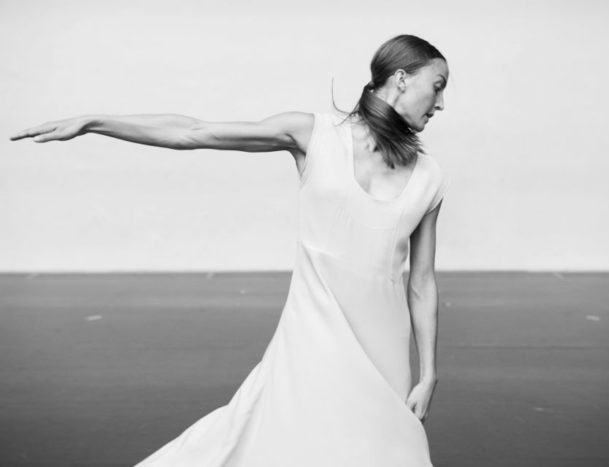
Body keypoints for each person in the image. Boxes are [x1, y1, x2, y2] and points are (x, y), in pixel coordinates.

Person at [11, 33, 450, 467]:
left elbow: (422, 281)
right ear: (401, 78)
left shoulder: (428, 176)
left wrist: (428, 372)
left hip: (385, 352)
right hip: (314, 339)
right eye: (438, 85)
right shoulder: (314, 134)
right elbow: (192, 132)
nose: (442, 103)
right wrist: (95, 122)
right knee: (290, 443)